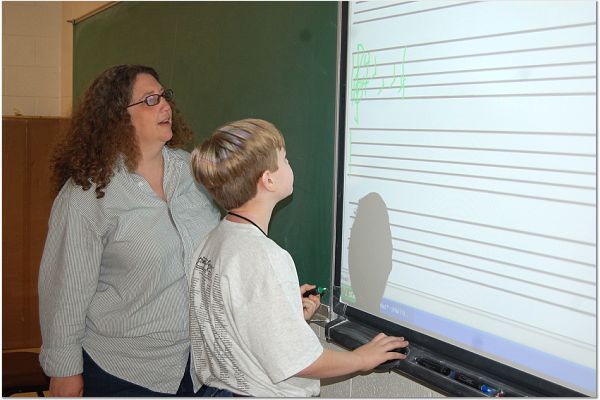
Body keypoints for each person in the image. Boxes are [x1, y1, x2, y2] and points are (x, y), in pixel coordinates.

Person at [189, 119, 409, 397]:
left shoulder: (213, 241)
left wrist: (284, 313)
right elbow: (299, 362)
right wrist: (362, 358)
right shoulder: (265, 258)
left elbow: (241, 321)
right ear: (268, 180)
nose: (290, 164)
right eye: (285, 159)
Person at [37, 64, 220, 397]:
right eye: (150, 100)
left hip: (198, 366)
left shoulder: (194, 172)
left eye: (164, 96)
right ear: (117, 117)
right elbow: (65, 292)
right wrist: (64, 371)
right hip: (123, 370)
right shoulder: (87, 195)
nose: (165, 106)